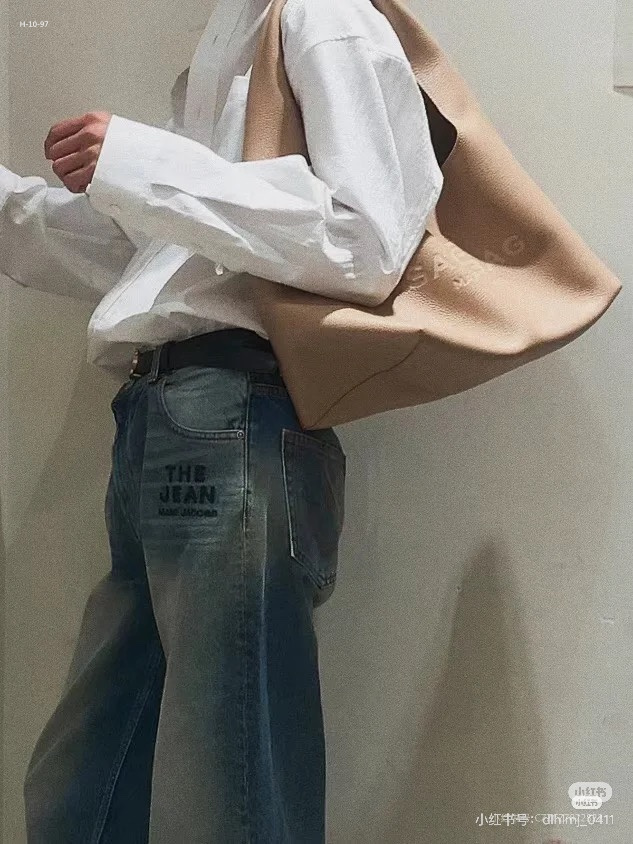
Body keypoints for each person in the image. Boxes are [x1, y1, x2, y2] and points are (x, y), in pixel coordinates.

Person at [2, 0, 444, 840]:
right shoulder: (235, 31)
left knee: (222, 787)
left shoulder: (321, 13)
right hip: (167, 416)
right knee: (86, 791)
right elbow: (173, 260)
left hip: (233, 413)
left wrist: (139, 162)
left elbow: (365, 241)